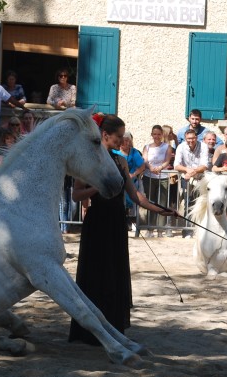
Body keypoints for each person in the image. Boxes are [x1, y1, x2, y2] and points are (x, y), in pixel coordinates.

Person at [68, 113, 171, 346]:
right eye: (119, 136)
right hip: (97, 223)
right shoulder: (87, 160)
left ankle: (112, 326)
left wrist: (160, 209)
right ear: (105, 135)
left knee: (114, 274)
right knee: (96, 273)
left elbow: (135, 196)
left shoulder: (121, 161)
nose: (123, 140)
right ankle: (89, 330)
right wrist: (96, 188)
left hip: (116, 223)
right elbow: (76, 195)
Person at [173, 128, 208, 237]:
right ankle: (187, 230)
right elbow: (176, 165)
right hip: (186, 178)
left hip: (200, 178)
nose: (191, 140)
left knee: (201, 204)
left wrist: (192, 172)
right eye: (188, 138)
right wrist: (188, 170)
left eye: (192, 138)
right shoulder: (181, 147)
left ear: (196, 137)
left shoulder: (203, 146)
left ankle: (199, 231)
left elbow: (205, 165)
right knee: (188, 203)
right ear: (185, 138)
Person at [142, 124, 174, 236]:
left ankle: (160, 229)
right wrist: (150, 167)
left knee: (162, 203)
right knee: (151, 202)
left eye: (158, 134)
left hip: (163, 177)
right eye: (154, 134)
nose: (156, 136)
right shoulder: (147, 147)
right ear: (151, 135)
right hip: (149, 177)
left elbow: (167, 160)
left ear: (162, 135)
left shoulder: (167, 147)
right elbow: (144, 160)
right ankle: (150, 228)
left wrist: (160, 168)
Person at [114, 132, 146, 231]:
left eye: (128, 140)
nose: (125, 142)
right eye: (124, 140)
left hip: (131, 182)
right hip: (118, 182)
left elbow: (142, 166)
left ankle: (131, 222)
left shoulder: (134, 152)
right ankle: (120, 223)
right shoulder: (115, 152)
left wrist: (133, 174)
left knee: (131, 202)